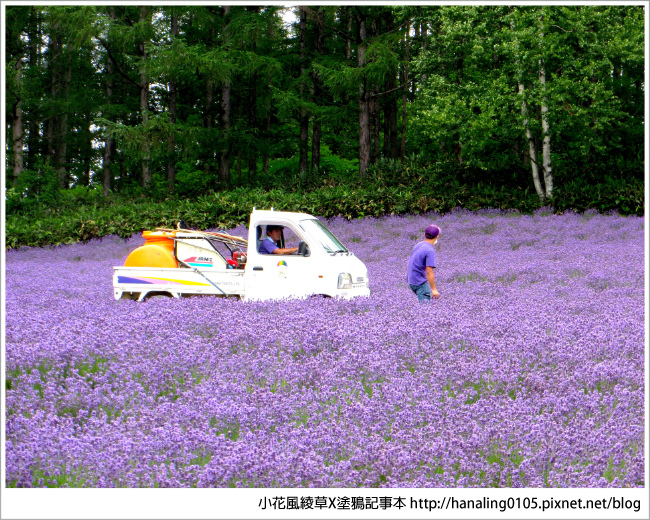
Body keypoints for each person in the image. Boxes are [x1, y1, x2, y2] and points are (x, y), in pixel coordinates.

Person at [406, 224, 440, 301]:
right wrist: (434, 289)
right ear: (437, 236)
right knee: (425, 309)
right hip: (420, 283)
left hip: (411, 281)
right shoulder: (430, 250)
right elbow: (429, 271)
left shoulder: (418, 245)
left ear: (425, 234)